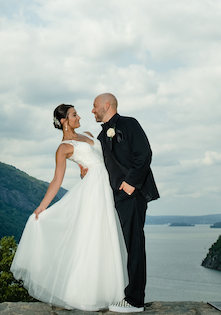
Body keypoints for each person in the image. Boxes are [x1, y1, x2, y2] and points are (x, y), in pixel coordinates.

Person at [11, 104, 129, 311]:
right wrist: (42, 207)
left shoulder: (89, 134)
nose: (79, 116)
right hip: (94, 191)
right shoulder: (63, 148)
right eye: (74, 115)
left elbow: (104, 157)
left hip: (106, 185)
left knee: (108, 235)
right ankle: (85, 295)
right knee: (93, 237)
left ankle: (114, 293)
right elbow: (57, 179)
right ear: (64, 121)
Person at [93, 93, 159, 313]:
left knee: (134, 243)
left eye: (95, 107)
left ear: (107, 105)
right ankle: (122, 291)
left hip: (133, 193)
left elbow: (144, 154)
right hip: (115, 197)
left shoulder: (129, 124)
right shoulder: (101, 137)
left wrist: (131, 183)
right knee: (120, 245)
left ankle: (135, 300)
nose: (92, 111)